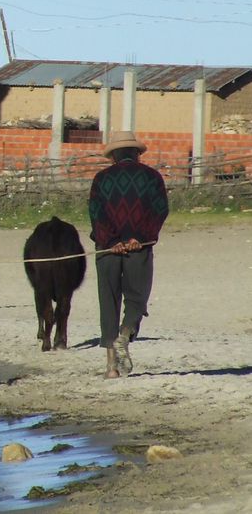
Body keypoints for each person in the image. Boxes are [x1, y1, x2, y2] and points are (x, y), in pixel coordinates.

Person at [88, 130, 169, 379]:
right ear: (137, 154)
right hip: (139, 249)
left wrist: (113, 241)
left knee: (108, 300)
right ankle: (125, 334)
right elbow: (160, 211)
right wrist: (138, 238)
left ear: (113, 156)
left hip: (108, 249)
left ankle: (111, 367)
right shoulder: (152, 177)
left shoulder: (101, 178)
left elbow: (96, 213)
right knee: (137, 297)